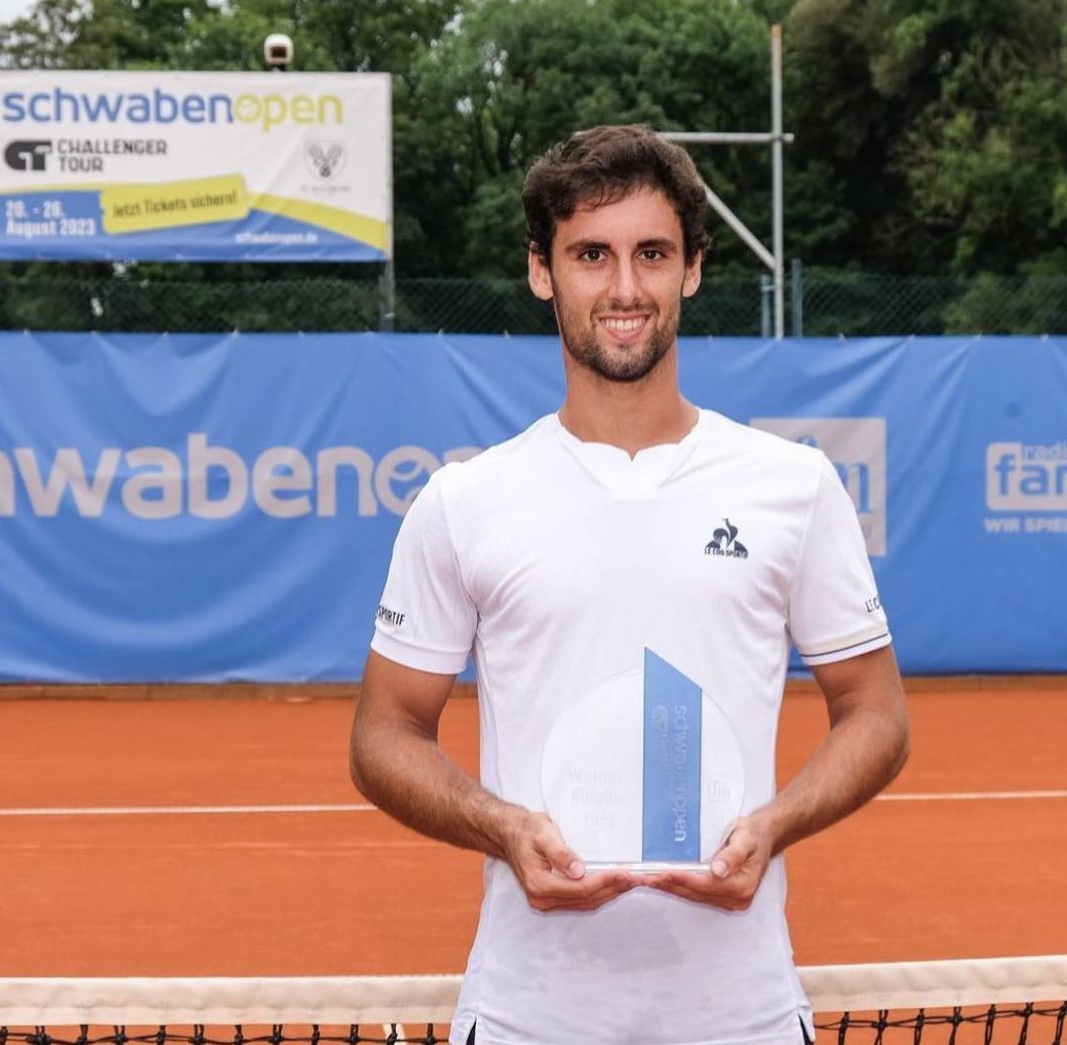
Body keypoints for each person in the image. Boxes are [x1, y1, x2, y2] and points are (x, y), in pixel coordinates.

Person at [350, 124, 909, 1045]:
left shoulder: (795, 486)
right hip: (527, 1019)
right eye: (590, 255)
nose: (623, 289)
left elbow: (877, 712)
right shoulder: (463, 501)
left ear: (693, 269)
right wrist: (501, 827)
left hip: (745, 1021)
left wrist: (774, 826)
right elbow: (384, 733)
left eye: (652, 254)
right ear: (542, 271)